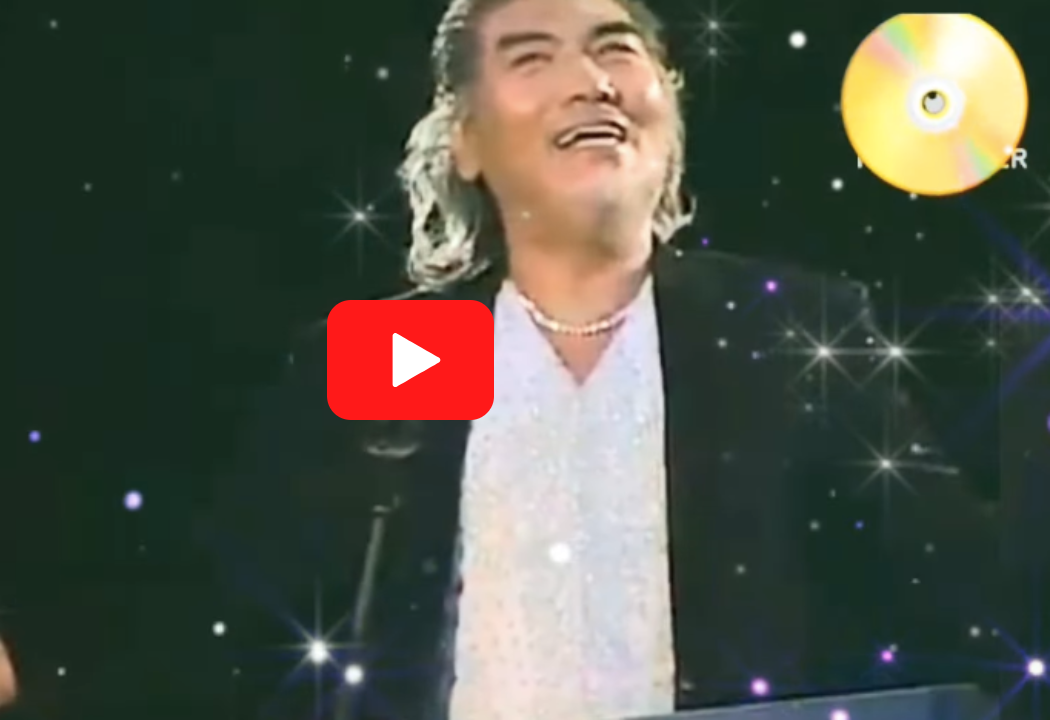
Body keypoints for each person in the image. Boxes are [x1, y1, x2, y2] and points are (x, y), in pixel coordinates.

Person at [206, 0, 1028, 718]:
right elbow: (263, 641)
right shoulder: (388, 354)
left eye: (616, 48)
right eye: (533, 57)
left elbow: (970, 602)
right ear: (465, 139)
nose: (591, 81)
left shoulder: (783, 331)